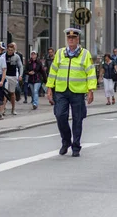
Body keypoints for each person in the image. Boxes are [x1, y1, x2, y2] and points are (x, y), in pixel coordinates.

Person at [46, 28, 96, 157]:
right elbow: (53, 71)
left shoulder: (85, 54)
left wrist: (91, 90)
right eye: (69, 38)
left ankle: (76, 146)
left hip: (78, 91)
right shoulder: (60, 53)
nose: (71, 40)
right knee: (60, 115)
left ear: (78, 39)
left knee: (77, 119)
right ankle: (66, 140)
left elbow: (90, 73)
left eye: (73, 38)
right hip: (61, 90)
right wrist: (49, 88)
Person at [5, 43, 23, 115]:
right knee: (4, 93)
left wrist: (20, 75)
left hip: (13, 76)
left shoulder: (16, 57)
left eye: (11, 50)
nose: (10, 51)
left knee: (12, 93)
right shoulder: (3, 56)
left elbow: (20, 66)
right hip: (5, 76)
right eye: (9, 50)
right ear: (7, 49)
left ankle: (13, 109)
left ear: (14, 50)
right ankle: (3, 108)